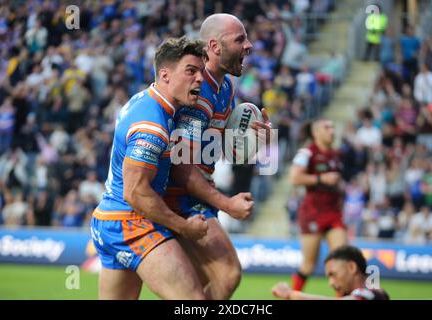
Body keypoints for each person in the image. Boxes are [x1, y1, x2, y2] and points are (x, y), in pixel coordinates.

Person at [90, 37, 213, 300]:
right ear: (165, 75)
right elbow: (135, 193)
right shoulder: (152, 125)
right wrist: (183, 227)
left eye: (201, 71)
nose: (199, 79)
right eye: (191, 71)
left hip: (109, 220)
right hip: (132, 222)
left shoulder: (144, 100)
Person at [164, 13, 271, 300]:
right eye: (240, 39)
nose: (249, 46)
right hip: (179, 199)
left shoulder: (226, 88)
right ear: (214, 46)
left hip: (196, 194)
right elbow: (180, 167)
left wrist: (252, 141)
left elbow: (216, 149)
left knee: (198, 288)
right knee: (227, 273)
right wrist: (227, 204)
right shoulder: (197, 93)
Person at [289, 119, 347, 292]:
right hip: (313, 213)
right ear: (316, 133)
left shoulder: (336, 154)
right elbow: (294, 178)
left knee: (342, 261)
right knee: (308, 265)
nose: (332, 131)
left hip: (334, 212)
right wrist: (321, 179)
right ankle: (293, 295)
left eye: (333, 127)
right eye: (327, 127)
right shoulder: (307, 152)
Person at [272, 245, 390, 300]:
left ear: (352, 267)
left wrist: (292, 294)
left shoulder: (373, 293)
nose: (331, 283)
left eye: (333, 275)